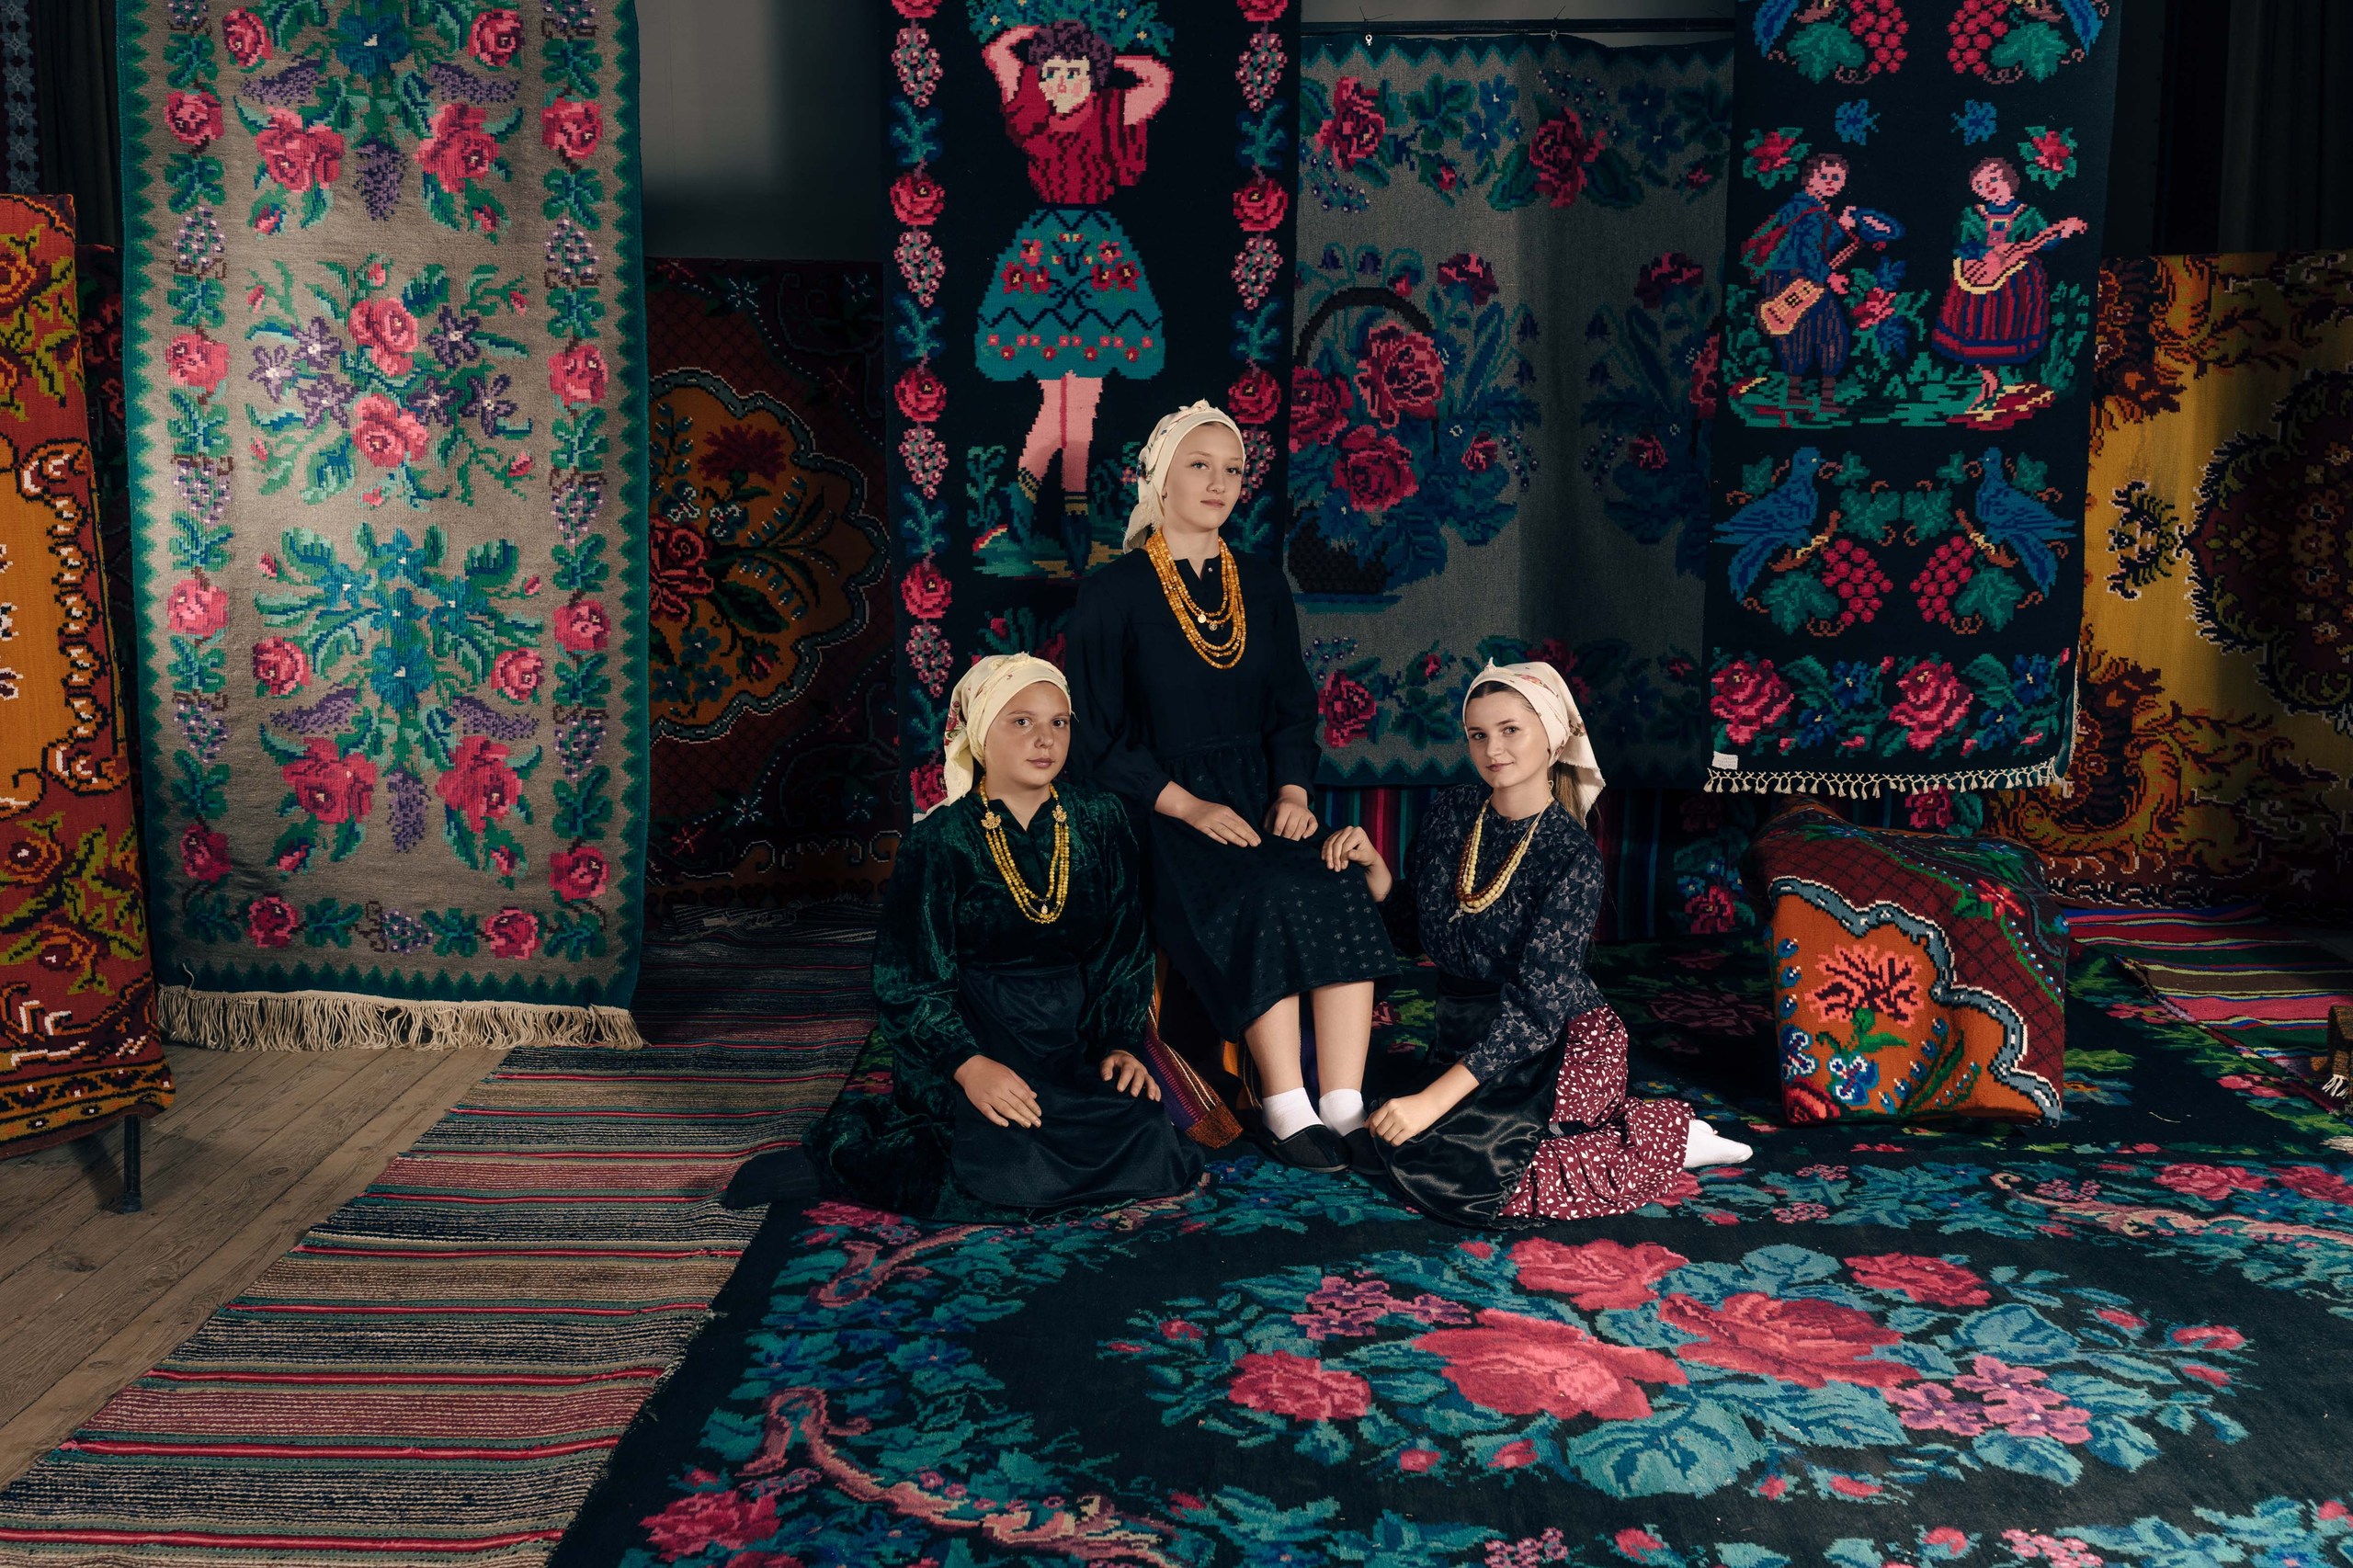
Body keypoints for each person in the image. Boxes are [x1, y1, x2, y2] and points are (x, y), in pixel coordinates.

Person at [1070, 402, 1398, 1174]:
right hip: (1160, 808)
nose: (1220, 483)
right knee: (1259, 893)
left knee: (1335, 878)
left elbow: (1291, 708)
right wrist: (1186, 805)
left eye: (1233, 469)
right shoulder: (1113, 591)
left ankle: (1343, 1103)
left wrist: (1293, 794)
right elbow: (1093, 736)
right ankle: (1285, 1106)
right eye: (1200, 465)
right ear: (1159, 478)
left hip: (1259, 795)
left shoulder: (1260, 583)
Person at [1323, 662, 1754, 1225]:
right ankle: (1591, 1127)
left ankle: (1670, 1140)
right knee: (1399, 1143)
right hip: (1465, 1039)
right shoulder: (1451, 812)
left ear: (1552, 737)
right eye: (1478, 734)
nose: (1492, 750)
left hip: (1560, 1043)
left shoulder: (1571, 856)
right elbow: (1416, 932)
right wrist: (1374, 868)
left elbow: (1536, 1012)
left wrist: (1431, 1101)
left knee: (1474, 1175)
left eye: (1510, 730)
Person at [805, 654, 1202, 1219]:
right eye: (1021, 721)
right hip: (978, 1033)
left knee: (1144, 1130)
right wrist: (969, 1066)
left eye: (1059, 722)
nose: (1045, 740)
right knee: (1005, 1153)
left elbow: (1123, 948)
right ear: (981, 734)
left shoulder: (1100, 819)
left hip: (1070, 1038)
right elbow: (908, 983)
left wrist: (1118, 1043)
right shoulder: (941, 841)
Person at [978, 19, 1172, 573]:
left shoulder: (1110, 114)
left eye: (1076, 72)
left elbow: (1158, 81)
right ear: (1041, 79)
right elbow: (997, 54)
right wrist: (1024, 33)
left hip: (1096, 259)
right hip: (1044, 261)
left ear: (1093, 76)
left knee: (1081, 397)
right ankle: (1065, 509)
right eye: (1053, 72)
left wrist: (1113, 61)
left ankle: (1047, 504)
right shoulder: (1030, 114)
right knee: (1057, 398)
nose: (1063, 82)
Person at [1929, 154, 2088, 418]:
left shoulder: (2029, 214)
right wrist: (1984, 255)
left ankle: (1997, 384)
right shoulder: (1971, 214)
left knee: (2001, 326)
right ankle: (1988, 379)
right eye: (1980, 184)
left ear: (2009, 179)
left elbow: (2045, 242)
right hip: (1975, 279)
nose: (1988, 186)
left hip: (2014, 282)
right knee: (1974, 327)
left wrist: (2062, 232)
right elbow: (1961, 245)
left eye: (1993, 179)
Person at [1741, 151, 1860, 415]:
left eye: (1837, 178)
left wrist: (1838, 225)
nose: (1831, 182)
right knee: (1829, 332)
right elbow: (1811, 252)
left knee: (1798, 333)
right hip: (1797, 279)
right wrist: (1830, 276)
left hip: (1785, 277)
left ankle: (1799, 394)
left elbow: (1818, 245)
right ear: (1809, 179)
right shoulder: (1811, 212)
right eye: (1824, 176)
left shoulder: (1804, 209)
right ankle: (1822, 397)